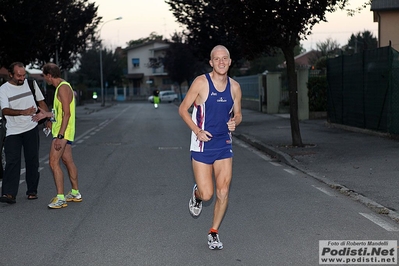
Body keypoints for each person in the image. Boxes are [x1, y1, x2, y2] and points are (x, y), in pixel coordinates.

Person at [178, 45, 242, 250]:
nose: (221, 62)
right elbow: (183, 109)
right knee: (208, 194)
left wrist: (235, 121)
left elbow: (238, 114)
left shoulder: (235, 87)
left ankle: (213, 232)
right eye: (217, 59)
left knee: (223, 192)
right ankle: (197, 194)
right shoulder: (201, 83)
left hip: (224, 144)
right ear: (211, 62)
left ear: (230, 62)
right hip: (202, 144)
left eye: (225, 58)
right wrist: (197, 131)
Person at [0, 62, 50, 204]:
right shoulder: (4, 89)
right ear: (11, 74)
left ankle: (32, 191)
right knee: (12, 161)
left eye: (23, 75)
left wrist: (47, 118)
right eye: (18, 75)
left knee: (32, 160)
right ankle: (9, 193)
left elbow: (41, 103)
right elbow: (5, 110)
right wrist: (23, 112)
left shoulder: (31, 84)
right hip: (13, 131)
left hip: (31, 127)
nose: (22, 78)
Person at [33, 63, 81, 209]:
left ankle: (60, 198)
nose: (45, 79)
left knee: (53, 162)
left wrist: (60, 136)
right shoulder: (61, 87)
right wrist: (47, 115)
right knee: (67, 161)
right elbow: (60, 112)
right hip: (64, 131)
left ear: (49, 75)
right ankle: (75, 193)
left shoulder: (63, 88)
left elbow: (67, 114)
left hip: (63, 132)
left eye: (44, 76)